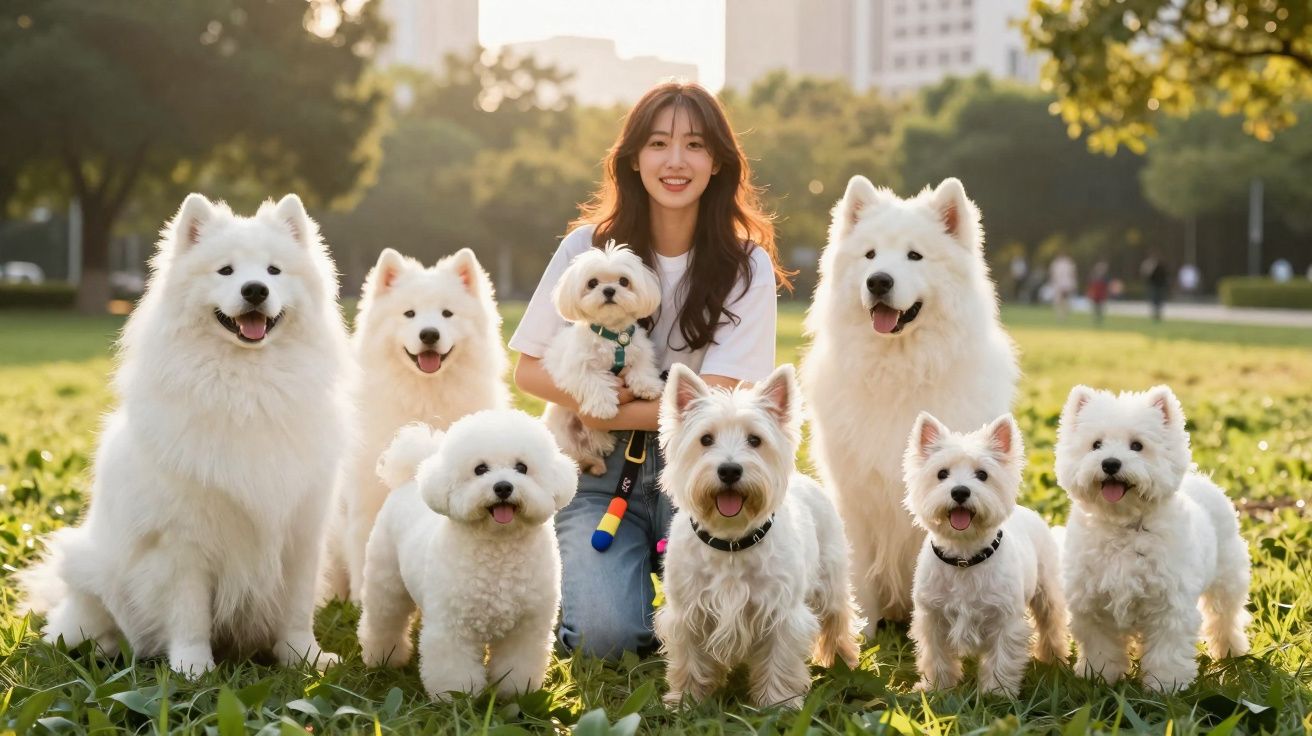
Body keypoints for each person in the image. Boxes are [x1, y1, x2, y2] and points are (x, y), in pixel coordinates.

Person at [509, 82, 787, 659]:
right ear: (634, 159)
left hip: (708, 467)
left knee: (735, 632)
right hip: (599, 465)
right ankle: (596, 591)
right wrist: (590, 410)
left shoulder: (747, 265)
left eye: (695, 144)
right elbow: (529, 370)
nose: (676, 161)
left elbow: (719, 399)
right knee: (605, 639)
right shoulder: (586, 248)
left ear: (718, 163)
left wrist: (596, 403)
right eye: (659, 143)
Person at [1048, 251, 1077, 319]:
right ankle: (1062, 314)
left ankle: (1062, 315)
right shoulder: (1067, 263)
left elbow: (1072, 274)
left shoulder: (1059, 263)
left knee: (1061, 300)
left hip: (1063, 284)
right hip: (1063, 284)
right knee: (1062, 300)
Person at [1142, 252, 1169, 321]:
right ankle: (1155, 314)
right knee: (1155, 300)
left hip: (1159, 285)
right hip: (1154, 285)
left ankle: (1158, 314)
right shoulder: (1150, 265)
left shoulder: (1161, 265)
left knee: (1158, 300)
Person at [1087, 261, 1110, 325]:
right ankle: (1095, 318)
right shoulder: (1094, 276)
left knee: (1100, 308)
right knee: (1095, 307)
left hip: (1101, 294)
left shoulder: (1105, 277)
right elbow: (1091, 285)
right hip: (1095, 294)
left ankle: (1099, 319)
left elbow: (1106, 286)